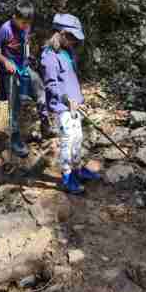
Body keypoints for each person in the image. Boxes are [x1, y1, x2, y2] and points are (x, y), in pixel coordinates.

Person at [40, 14, 100, 195]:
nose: (74, 41)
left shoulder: (68, 52)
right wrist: (67, 100)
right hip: (62, 107)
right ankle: (67, 177)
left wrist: (79, 100)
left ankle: (77, 170)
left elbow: (71, 78)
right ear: (62, 33)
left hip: (75, 105)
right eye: (72, 37)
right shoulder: (49, 56)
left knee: (78, 138)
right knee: (67, 141)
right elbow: (51, 84)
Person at [0, 3, 55, 158]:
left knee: (41, 93)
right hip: (10, 72)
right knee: (15, 107)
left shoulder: (26, 26)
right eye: (23, 23)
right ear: (14, 18)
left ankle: (46, 127)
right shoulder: (5, 29)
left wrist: (28, 56)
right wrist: (5, 61)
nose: (26, 26)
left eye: (28, 23)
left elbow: (25, 42)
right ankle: (15, 140)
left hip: (25, 67)